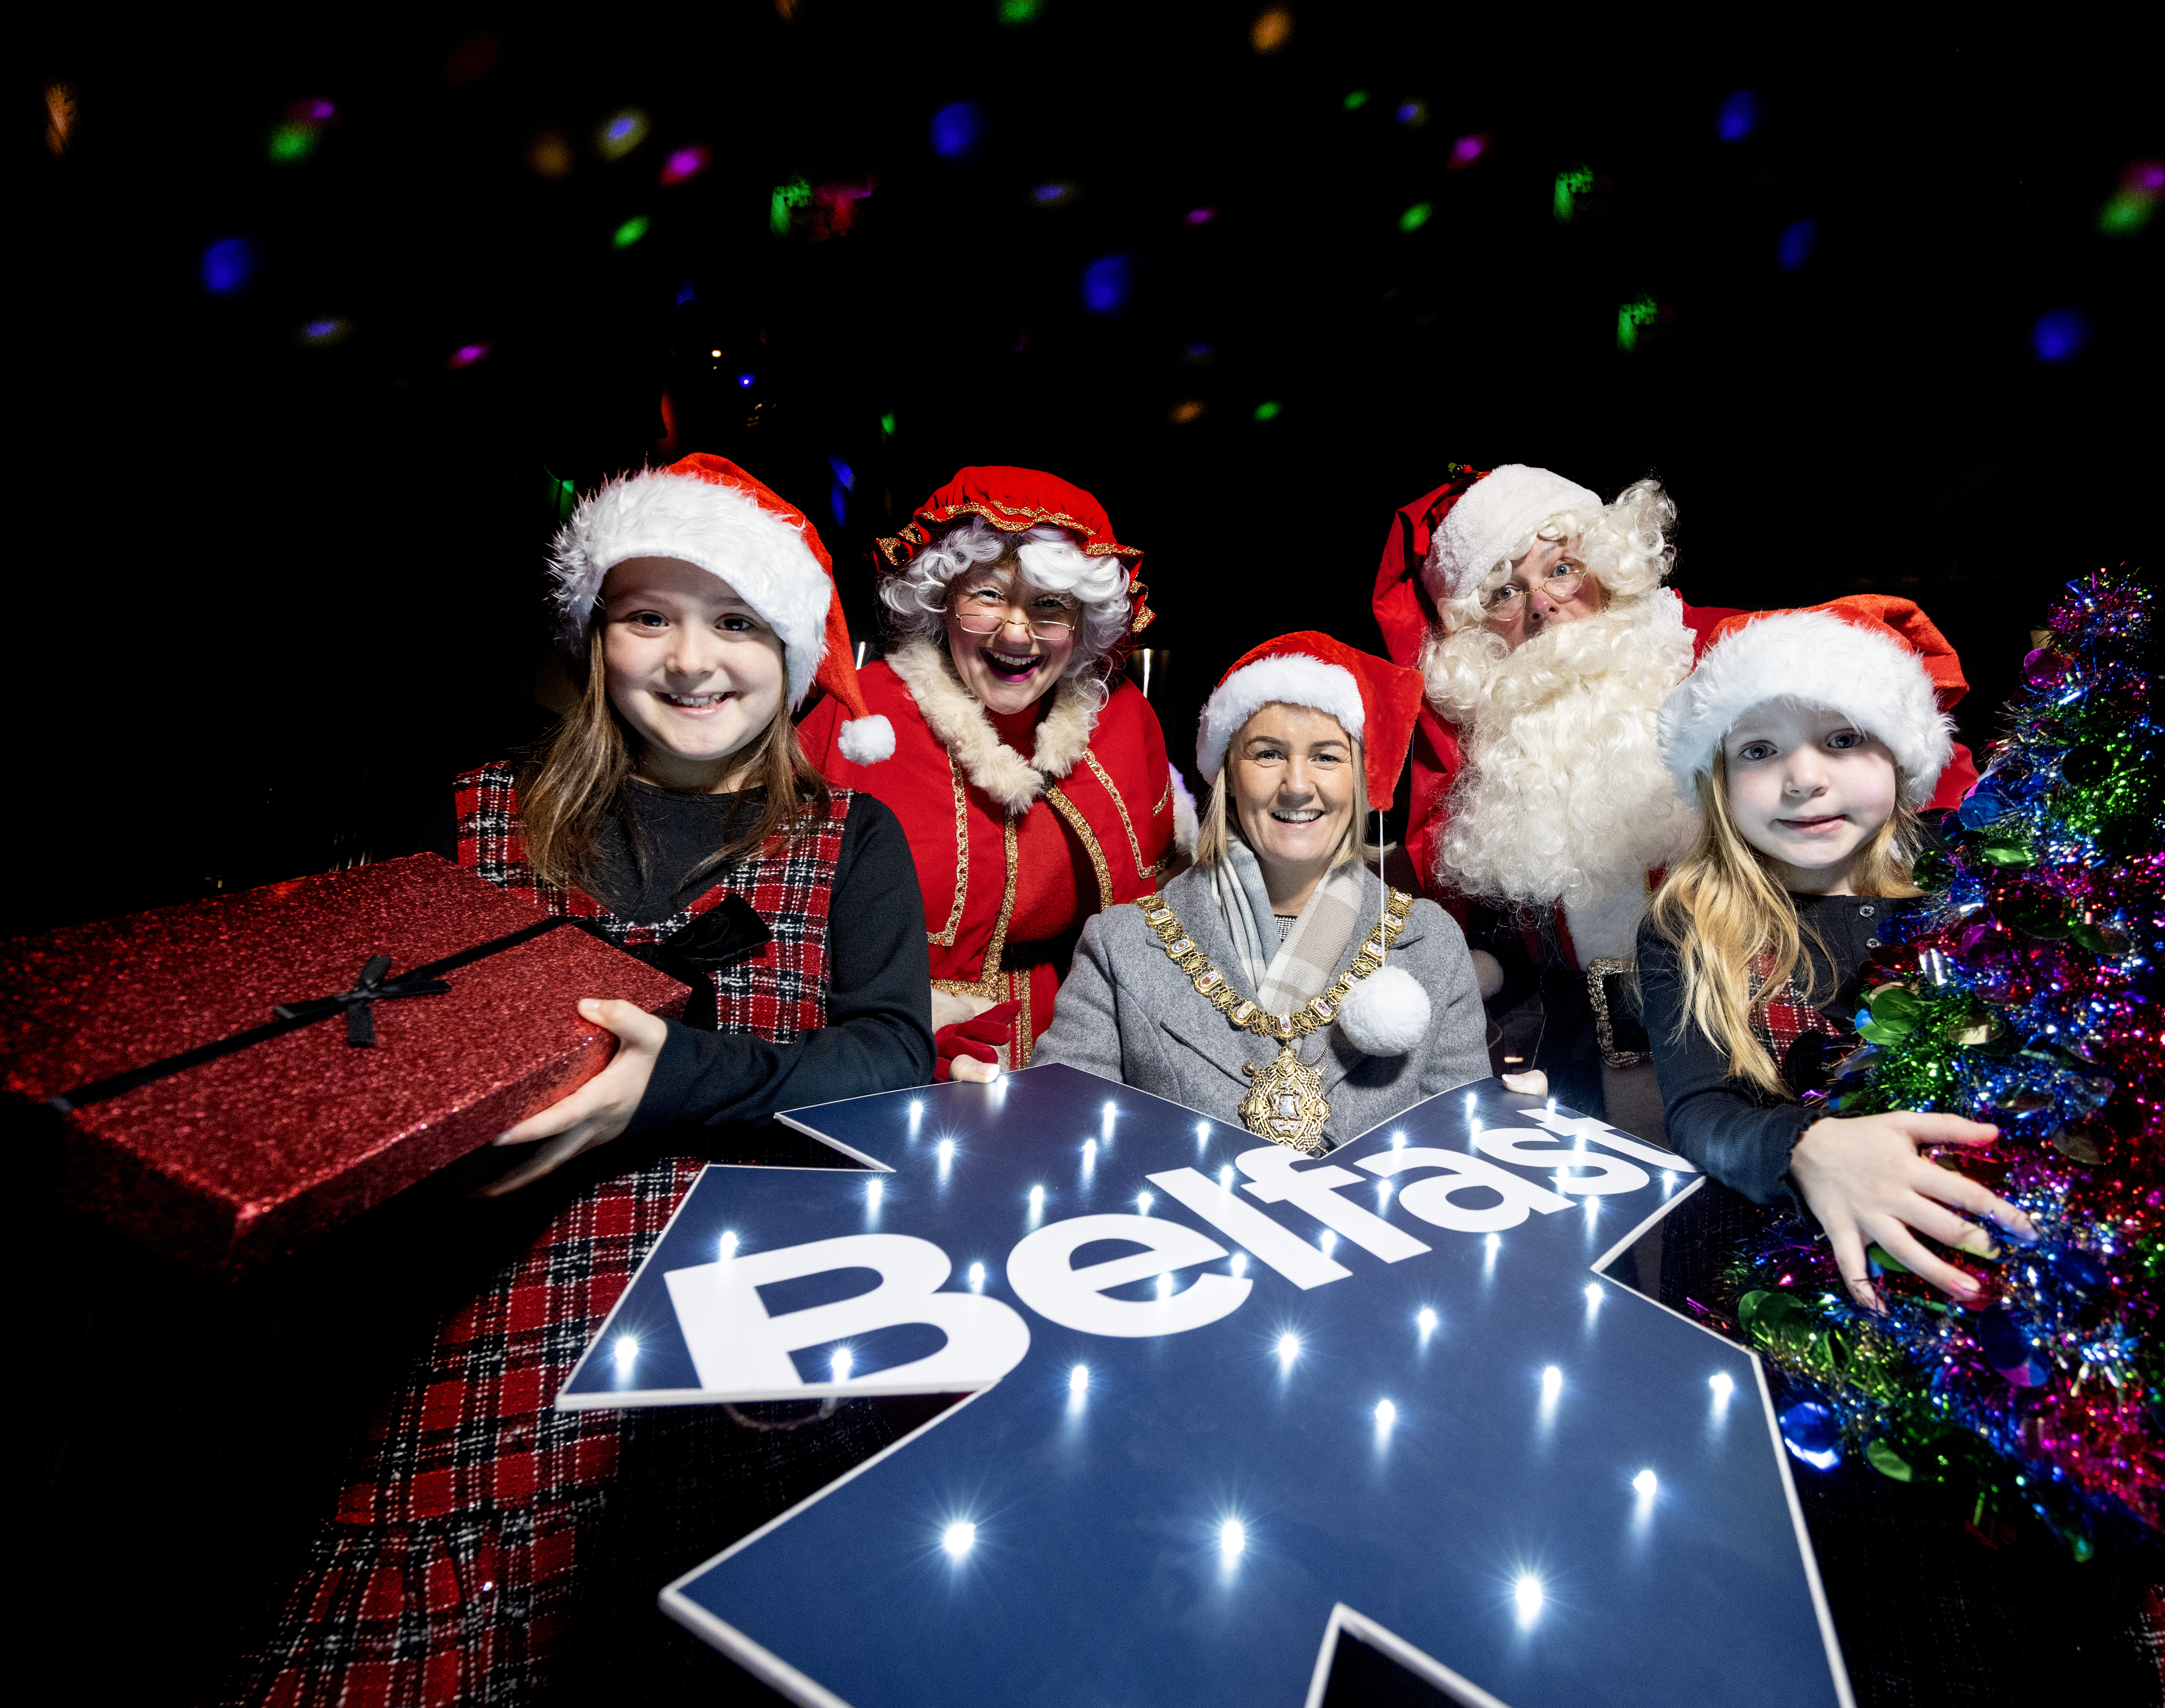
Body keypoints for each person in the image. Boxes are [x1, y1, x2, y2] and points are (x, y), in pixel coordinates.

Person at [248, 454, 936, 1703]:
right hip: (490, 1322)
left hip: (743, 1336)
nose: (691, 660)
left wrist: (670, 1078)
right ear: (593, 638)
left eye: (734, 621)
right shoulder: (473, 816)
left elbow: (889, 1061)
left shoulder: (849, 839)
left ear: (786, 651)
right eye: (647, 616)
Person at [1373, 464, 1980, 1138]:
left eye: (1561, 569)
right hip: (1581, 1064)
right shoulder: (1488, 750)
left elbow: (1902, 766)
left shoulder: (1723, 656)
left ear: (1607, 558)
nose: (1541, 603)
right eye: (1504, 593)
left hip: (1769, 1030)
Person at [1640, 598, 2034, 1311]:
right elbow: (1700, 1112)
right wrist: (1805, 1149)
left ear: (1899, 751)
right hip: (1774, 1285)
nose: (1803, 779)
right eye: (1759, 751)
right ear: (1718, 781)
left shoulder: (1968, 888)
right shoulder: (1690, 920)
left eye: (1842, 739)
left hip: (1958, 1262)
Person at [798, 466, 1187, 1082]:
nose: (1016, 631)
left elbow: (1165, 916)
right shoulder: (862, 717)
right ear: (941, 601)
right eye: (987, 595)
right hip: (898, 1050)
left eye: (1050, 606)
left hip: (1089, 1047)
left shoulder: (1123, 721)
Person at [1034, 634, 1487, 1152]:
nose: (1297, 785)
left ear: (1362, 778)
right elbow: (1062, 1138)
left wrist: (1510, 1125)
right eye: (1268, 754)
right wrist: (995, 1115)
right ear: (1230, 776)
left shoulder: (1431, 945)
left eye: (1327, 757)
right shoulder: (1121, 946)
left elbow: (1460, 1152)